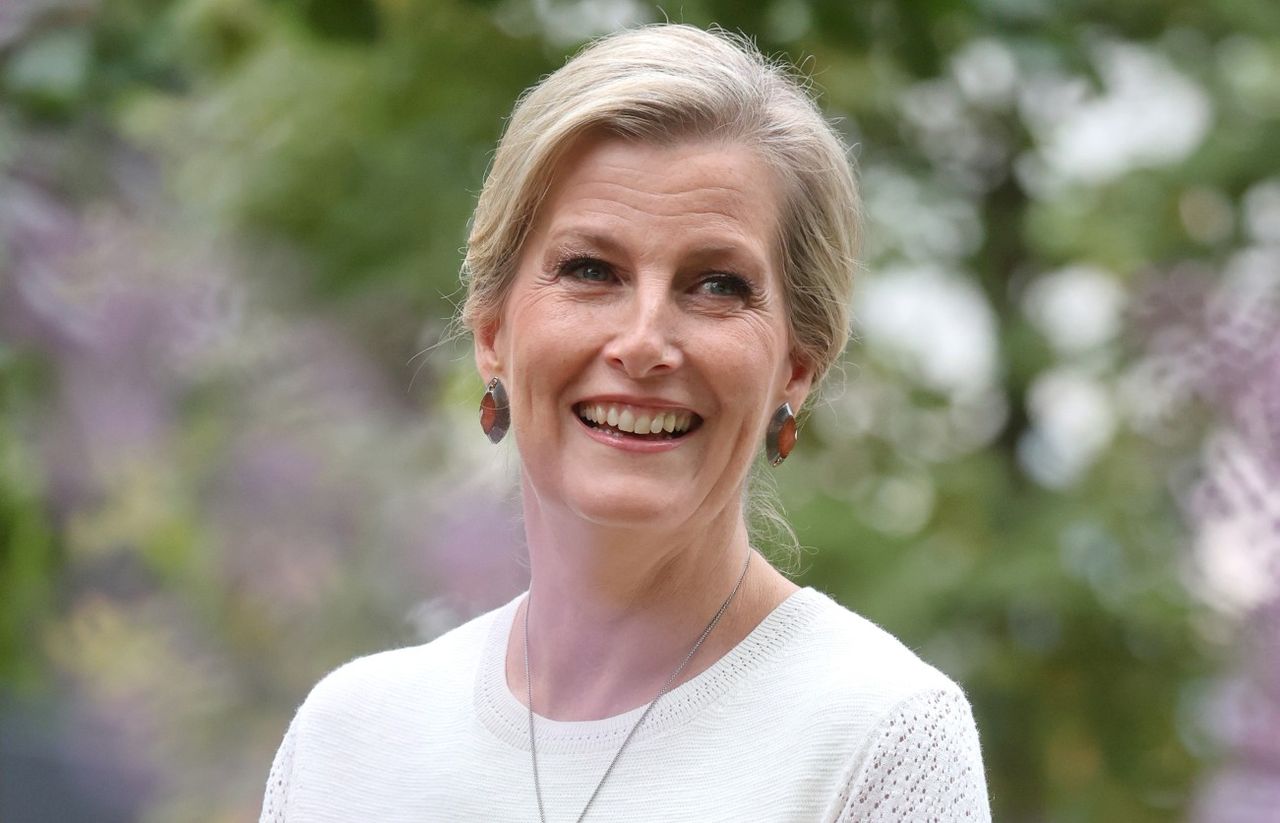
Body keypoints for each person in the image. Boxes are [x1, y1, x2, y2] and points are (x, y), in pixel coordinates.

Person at [259, 24, 990, 822]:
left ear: (797, 366)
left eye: (716, 285)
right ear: (494, 334)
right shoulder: (349, 742)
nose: (644, 343)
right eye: (590, 270)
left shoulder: (880, 737)